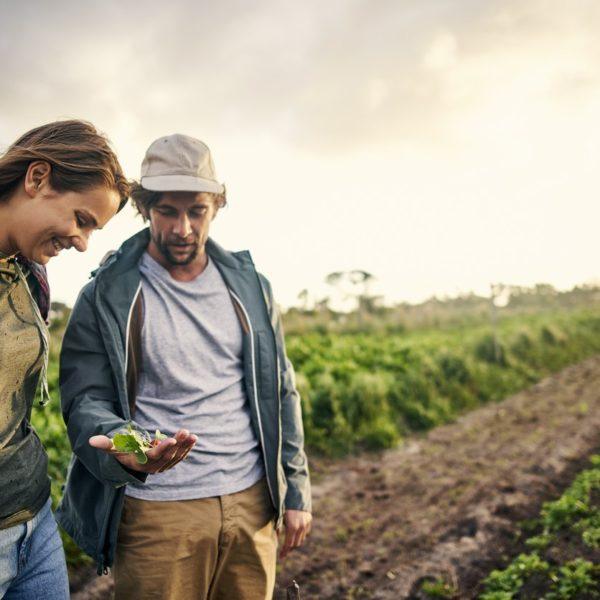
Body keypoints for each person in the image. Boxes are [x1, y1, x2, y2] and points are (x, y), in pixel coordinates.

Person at [57, 133, 312, 599]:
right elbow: (84, 399)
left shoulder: (252, 286)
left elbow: (281, 389)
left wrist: (294, 491)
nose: (183, 229)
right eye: (167, 211)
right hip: (157, 511)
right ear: (144, 207)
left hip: (252, 500)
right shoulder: (105, 294)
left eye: (197, 211)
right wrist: (121, 443)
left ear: (216, 205)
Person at [0, 119, 130, 599]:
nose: (82, 241)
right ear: (37, 179)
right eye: (81, 219)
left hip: (33, 525)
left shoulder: (30, 274)